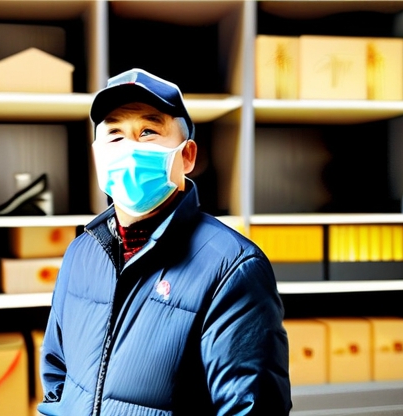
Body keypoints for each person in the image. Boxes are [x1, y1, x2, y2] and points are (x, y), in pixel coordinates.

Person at [38, 68, 292, 416]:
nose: (129, 148)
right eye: (115, 134)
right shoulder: (81, 252)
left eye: (148, 132)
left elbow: (250, 409)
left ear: (187, 156)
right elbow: (57, 378)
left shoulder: (233, 269)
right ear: (98, 155)